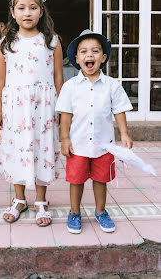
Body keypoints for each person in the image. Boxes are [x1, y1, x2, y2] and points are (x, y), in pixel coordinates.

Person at [0, 0, 63, 227]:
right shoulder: (6, 43)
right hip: (15, 107)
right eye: (21, 8)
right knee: (18, 149)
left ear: (41, 11)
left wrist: (61, 110)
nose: (27, 13)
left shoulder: (52, 41)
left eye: (33, 7)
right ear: (13, 12)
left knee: (42, 150)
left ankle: (41, 201)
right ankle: (19, 199)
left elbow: (57, 77)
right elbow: (0, 78)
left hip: (44, 106)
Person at [55, 29, 133, 234]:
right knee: (76, 180)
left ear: (104, 57)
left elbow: (119, 111)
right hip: (78, 143)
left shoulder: (112, 85)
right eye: (84, 52)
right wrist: (64, 138)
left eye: (95, 51)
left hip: (103, 144)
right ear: (77, 59)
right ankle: (74, 212)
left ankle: (100, 211)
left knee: (101, 180)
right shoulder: (70, 87)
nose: (89, 55)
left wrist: (124, 133)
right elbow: (65, 114)